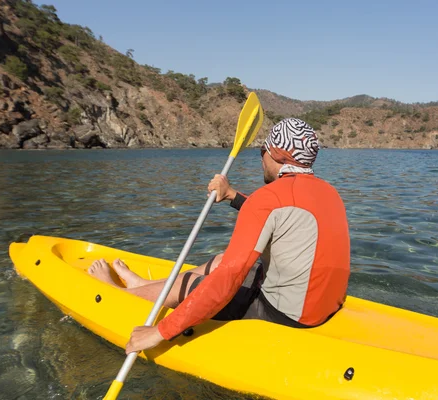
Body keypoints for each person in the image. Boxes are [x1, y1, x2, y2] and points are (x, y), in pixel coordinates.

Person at [89, 118, 351, 354]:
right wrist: (231, 195)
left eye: (262, 152)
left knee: (207, 280)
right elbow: (279, 215)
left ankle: (117, 293)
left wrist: (160, 332)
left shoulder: (269, 197)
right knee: (219, 261)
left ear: (274, 154)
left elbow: (227, 280)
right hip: (320, 307)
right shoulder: (329, 193)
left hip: (284, 316)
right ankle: (139, 286)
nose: (261, 159)